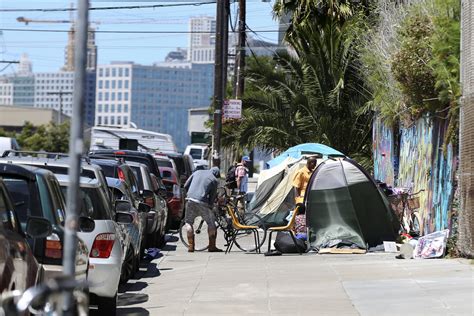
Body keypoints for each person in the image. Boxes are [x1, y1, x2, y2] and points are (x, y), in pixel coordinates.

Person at [183, 166, 223, 253]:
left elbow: (185, 185)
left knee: (188, 222)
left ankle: (191, 246)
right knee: (211, 223)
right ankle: (212, 246)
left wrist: (189, 194)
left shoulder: (197, 172)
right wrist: (211, 206)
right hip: (202, 202)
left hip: (190, 199)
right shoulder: (214, 180)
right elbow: (212, 197)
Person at [291, 156, 317, 239]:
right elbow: (296, 186)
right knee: (300, 218)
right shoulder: (301, 172)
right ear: (309, 163)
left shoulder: (312, 172)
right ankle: (297, 233)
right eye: (314, 163)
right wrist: (297, 198)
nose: (315, 165)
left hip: (310, 197)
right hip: (302, 198)